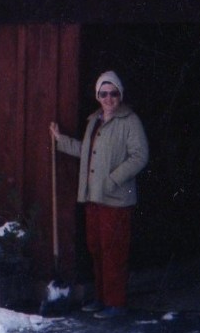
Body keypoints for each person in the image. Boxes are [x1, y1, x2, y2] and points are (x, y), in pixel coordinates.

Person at [50, 71, 149, 319]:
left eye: (113, 93)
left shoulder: (130, 121)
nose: (108, 98)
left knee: (114, 250)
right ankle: (101, 298)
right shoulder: (94, 120)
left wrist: (114, 178)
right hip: (93, 197)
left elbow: (140, 156)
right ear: (97, 95)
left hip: (116, 199)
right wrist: (60, 140)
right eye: (103, 93)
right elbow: (87, 151)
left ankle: (116, 302)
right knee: (96, 248)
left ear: (120, 94)